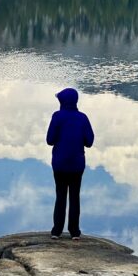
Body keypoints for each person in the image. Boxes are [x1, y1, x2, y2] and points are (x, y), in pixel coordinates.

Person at [46, 87, 94, 240]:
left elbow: (50, 140)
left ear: (62, 101)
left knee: (60, 196)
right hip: (77, 165)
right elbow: (89, 142)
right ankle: (74, 232)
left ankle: (56, 231)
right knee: (75, 197)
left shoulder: (57, 116)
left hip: (59, 164)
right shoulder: (83, 118)